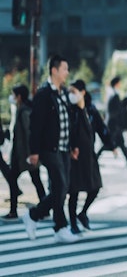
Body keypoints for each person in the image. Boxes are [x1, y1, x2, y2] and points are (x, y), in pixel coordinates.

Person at [22, 54, 80, 244]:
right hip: (50, 148)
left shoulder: (62, 92)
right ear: (54, 70)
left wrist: (73, 145)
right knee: (61, 186)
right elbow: (36, 124)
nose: (67, 72)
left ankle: (35, 216)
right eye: (64, 69)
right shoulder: (44, 94)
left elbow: (68, 121)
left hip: (64, 148)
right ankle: (59, 226)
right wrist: (34, 151)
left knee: (62, 188)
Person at [2, 85, 46, 220]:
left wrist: (33, 153)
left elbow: (29, 134)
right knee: (33, 180)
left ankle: (14, 211)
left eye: (13, 95)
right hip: (20, 155)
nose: (12, 97)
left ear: (19, 97)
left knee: (23, 179)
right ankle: (44, 209)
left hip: (25, 155)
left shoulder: (25, 112)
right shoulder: (19, 109)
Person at [67, 80, 104, 234]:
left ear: (82, 93)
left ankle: (82, 213)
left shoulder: (90, 109)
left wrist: (112, 144)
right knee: (74, 191)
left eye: (74, 92)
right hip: (74, 155)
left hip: (89, 153)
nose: (71, 95)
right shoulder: (69, 109)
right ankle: (73, 222)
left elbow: (100, 127)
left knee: (95, 187)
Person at [103, 76, 127, 165]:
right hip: (114, 123)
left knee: (120, 142)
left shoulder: (111, 93)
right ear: (116, 83)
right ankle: (95, 156)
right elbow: (116, 110)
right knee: (108, 142)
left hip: (113, 123)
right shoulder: (114, 95)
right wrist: (125, 109)